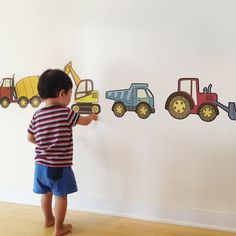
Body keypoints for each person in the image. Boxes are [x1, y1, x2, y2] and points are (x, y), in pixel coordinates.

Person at [27, 69, 98, 236]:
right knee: (61, 195)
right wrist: (92, 117)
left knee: (46, 193)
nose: (70, 97)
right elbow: (84, 122)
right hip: (57, 167)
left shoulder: (37, 115)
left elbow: (30, 137)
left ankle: (48, 219)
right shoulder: (66, 113)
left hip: (40, 167)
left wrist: (44, 144)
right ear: (62, 94)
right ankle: (59, 228)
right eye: (70, 94)